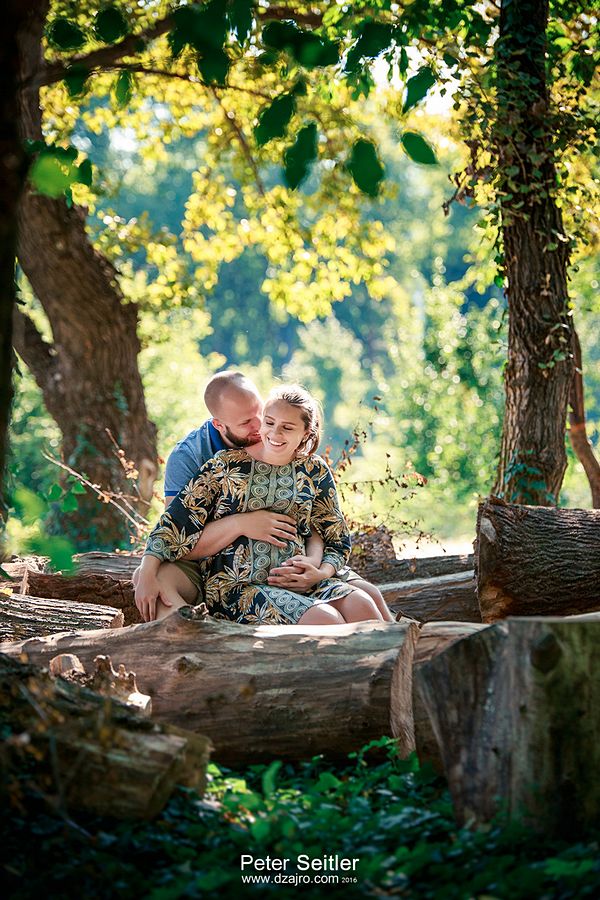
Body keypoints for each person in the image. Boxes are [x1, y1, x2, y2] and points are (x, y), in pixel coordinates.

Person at [134, 370, 392, 621]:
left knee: (365, 603)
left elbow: (327, 533)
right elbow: (174, 528)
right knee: (327, 620)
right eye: (252, 422)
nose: (262, 428)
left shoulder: (313, 470)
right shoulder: (215, 463)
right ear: (220, 424)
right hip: (236, 581)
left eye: (262, 415)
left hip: (300, 575)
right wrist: (147, 569)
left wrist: (318, 570)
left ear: (306, 433)